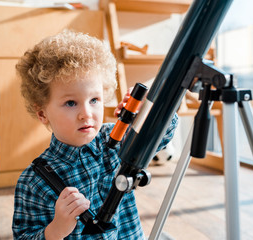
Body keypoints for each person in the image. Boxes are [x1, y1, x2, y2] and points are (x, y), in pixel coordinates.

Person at [12, 29, 178, 240]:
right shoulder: (33, 182)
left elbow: (160, 137)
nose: (86, 114)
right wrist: (55, 230)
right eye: (71, 103)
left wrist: (150, 111)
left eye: (94, 100)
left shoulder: (115, 139)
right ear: (42, 113)